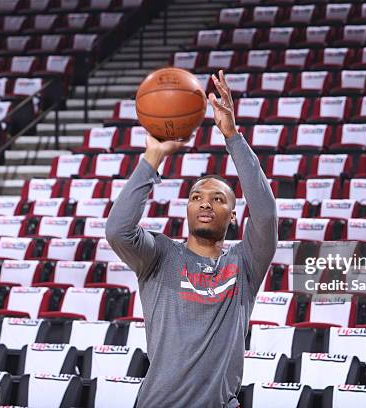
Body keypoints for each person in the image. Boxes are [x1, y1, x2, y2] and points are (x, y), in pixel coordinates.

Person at [105, 70, 278, 407]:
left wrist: (233, 137)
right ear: (186, 208)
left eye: (218, 199)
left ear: (233, 215)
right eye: (197, 197)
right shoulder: (159, 256)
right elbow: (117, 230)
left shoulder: (245, 264)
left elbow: (267, 214)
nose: (205, 203)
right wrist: (152, 157)